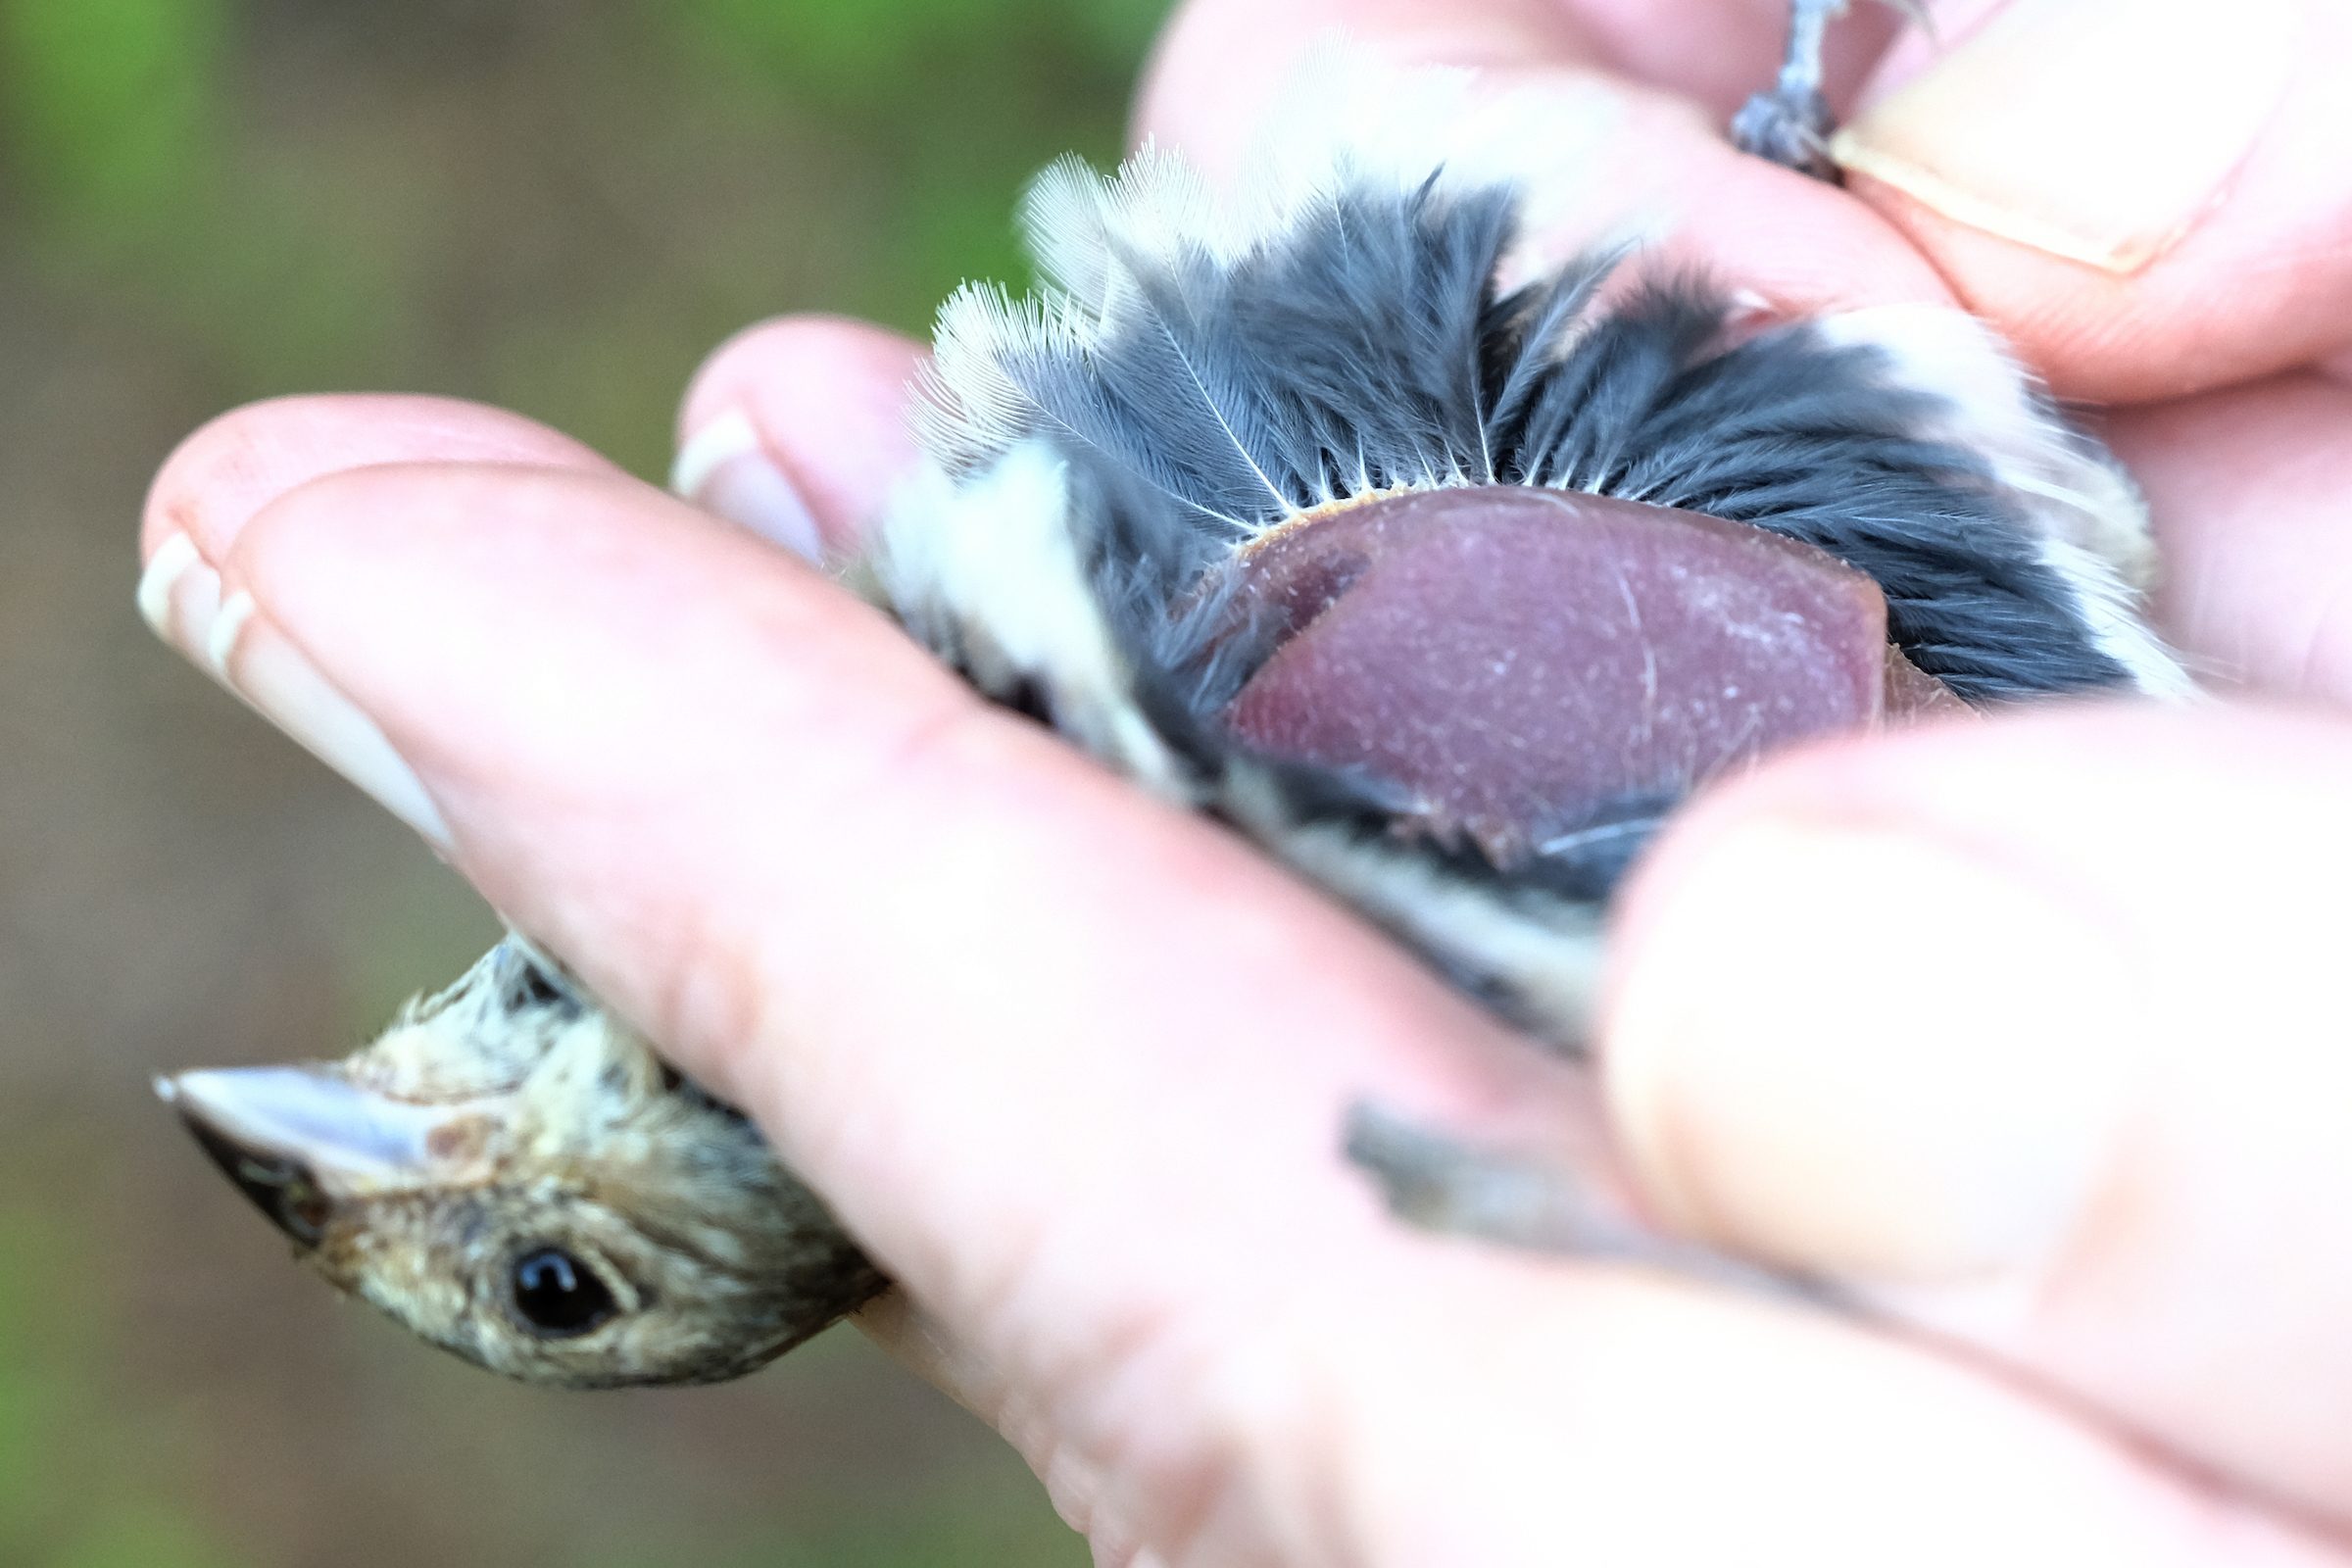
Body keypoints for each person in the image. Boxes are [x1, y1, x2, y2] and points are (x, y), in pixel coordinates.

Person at [136, 0, 2352, 1560]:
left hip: (1732, 350)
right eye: (549, 1276)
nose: (411, 1146)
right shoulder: (1348, 1122)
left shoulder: (955, 650)